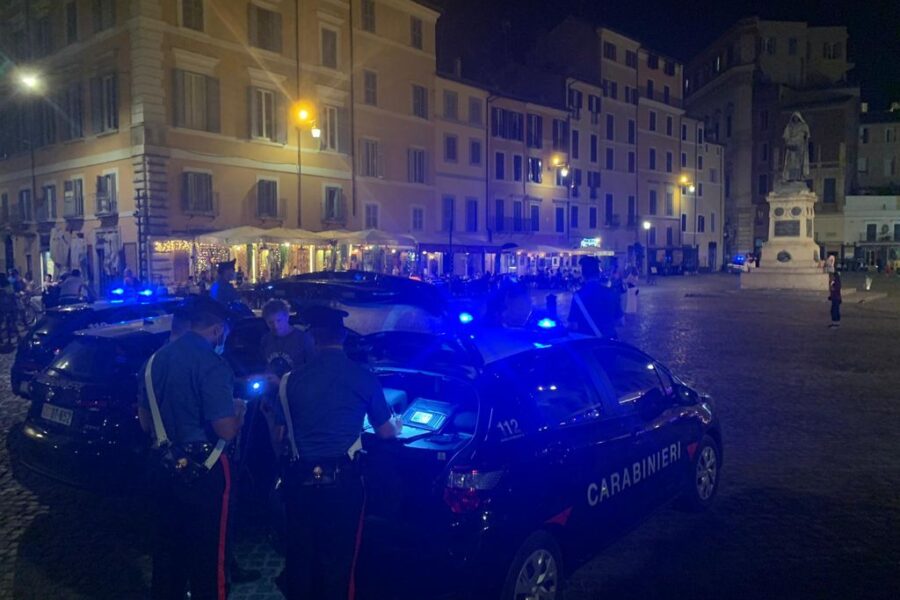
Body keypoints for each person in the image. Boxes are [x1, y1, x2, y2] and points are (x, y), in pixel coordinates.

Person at [278, 305, 400, 600]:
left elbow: (279, 435)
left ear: (312, 339)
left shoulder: (289, 380)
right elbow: (385, 431)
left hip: (299, 482)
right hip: (342, 484)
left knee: (302, 555)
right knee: (339, 561)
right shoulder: (364, 377)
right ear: (343, 337)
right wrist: (396, 422)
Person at [137, 298, 244, 600]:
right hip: (205, 470)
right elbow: (225, 429)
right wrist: (239, 413)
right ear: (216, 329)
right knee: (210, 558)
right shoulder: (212, 364)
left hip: (161, 465)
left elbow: (146, 423)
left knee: (167, 552)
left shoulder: (153, 362)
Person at [568, 256, 623, 339]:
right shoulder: (611, 293)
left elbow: (573, 325)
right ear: (598, 274)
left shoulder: (577, 296)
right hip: (609, 343)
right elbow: (621, 321)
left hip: (587, 344)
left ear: (583, 274)